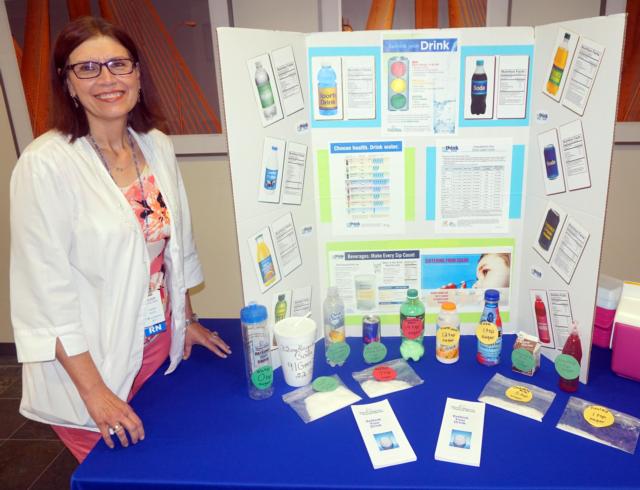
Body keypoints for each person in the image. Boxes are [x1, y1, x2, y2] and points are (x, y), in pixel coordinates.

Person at [9, 16, 231, 463]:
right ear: (68, 84)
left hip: (153, 344)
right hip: (91, 364)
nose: (107, 79)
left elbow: (177, 244)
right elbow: (45, 295)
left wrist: (184, 320)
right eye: (87, 68)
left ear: (137, 74)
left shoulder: (155, 145)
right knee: (122, 473)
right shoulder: (45, 165)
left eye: (118, 64)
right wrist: (95, 393)